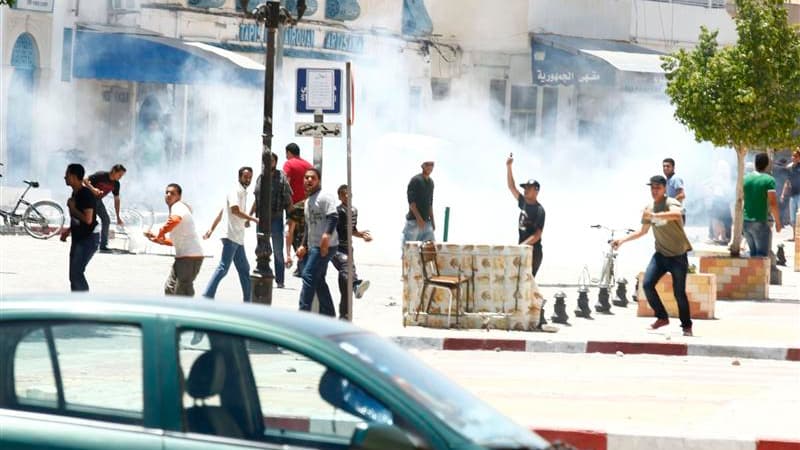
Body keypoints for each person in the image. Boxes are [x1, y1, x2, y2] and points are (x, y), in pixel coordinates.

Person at [612, 175, 694, 337]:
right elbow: (642, 231)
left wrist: (656, 216)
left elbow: (677, 215)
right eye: (652, 188)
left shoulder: (671, 202)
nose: (654, 191)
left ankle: (686, 325)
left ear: (664, 189)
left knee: (679, 293)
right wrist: (622, 240)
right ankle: (662, 317)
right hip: (661, 255)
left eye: (658, 188)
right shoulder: (649, 208)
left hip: (678, 255)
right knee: (647, 284)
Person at [202, 167, 259, 302]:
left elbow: (222, 212)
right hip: (231, 235)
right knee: (223, 268)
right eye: (245, 177)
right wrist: (252, 219)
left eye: (250, 177)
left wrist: (211, 229)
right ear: (239, 177)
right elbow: (234, 210)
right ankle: (207, 296)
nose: (248, 179)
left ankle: (248, 300)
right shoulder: (235, 190)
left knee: (244, 269)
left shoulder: (243, 192)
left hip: (237, 237)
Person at [145, 183, 204, 296]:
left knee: (182, 291)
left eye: (172, 193)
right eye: (166, 192)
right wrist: (155, 238)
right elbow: (173, 242)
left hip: (190, 258)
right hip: (182, 258)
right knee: (170, 288)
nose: (168, 195)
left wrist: (161, 232)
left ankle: (187, 311)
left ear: (179, 197)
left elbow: (174, 220)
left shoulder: (178, 206)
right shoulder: (175, 210)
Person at [296, 168, 338, 317]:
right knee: (318, 280)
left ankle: (303, 316)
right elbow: (309, 225)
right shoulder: (308, 202)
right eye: (306, 178)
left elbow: (333, 217)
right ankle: (330, 315)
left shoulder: (325, 197)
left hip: (326, 246)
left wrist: (326, 237)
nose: (308, 180)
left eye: (312, 178)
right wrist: (303, 245)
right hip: (314, 245)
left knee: (307, 275)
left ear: (318, 180)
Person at [251, 153, 293, 288]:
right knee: (261, 248)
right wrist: (249, 215)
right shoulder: (261, 177)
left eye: (272, 161)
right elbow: (256, 199)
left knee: (277, 251)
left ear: (276, 162)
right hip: (262, 219)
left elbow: (288, 199)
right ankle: (263, 275)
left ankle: (280, 280)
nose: (270, 163)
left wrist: (290, 218)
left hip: (276, 218)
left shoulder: (281, 177)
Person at [331, 184, 372, 319]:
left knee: (344, 281)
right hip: (336, 248)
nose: (347, 196)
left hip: (348, 248)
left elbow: (352, 230)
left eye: (349, 193)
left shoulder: (354, 211)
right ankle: (356, 284)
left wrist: (362, 235)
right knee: (347, 267)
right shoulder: (337, 211)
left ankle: (344, 315)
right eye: (344, 194)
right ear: (340, 197)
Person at [60, 163, 98, 291]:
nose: (65, 177)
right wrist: (69, 230)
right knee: (74, 274)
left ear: (75, 176)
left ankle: (83, 304)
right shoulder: (75, 193)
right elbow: (77, 218)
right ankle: (76, 303)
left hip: (88, 238)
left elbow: (88, 219)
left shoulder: (85, 194)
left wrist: (72, 207)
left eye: (67, 175)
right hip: (79, 237)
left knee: (76, 274)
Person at [506, 155, 545, 277]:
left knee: (527, 283)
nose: (525, 190)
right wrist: (509, 167)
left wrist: (521, 246)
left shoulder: (539, 210)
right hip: (522, 250)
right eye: (525, 188)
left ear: (536, 191)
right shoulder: (523, 203)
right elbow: (512, 187)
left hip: (533, 253)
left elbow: (537, 235)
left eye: (528, 188)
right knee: (519, 281)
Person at [743, 152, 782, 257]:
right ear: (767, 165)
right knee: (761, 258)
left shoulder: (745, 179)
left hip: (745, 222)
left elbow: (741, 199)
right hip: (759, 221)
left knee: (753, 255)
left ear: (755, 164)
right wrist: (778, 222)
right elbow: (773, 203)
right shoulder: (769, 180)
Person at [283, 142, 313, 275]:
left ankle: (296, 261)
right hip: (308, 203)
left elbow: (284, 182)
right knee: (305, 234)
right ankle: (304, 264)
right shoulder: (308, 165)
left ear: (289, 152)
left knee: (291, 232)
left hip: (294, 205)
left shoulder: (289, 163)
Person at [84, 164, 126, 253]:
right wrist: (93, 189)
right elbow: (85, 180)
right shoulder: (101, 175)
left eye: (122, 176)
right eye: (120, 175)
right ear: (114, 171)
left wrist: (118, 217)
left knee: (106, 220)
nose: (121, 177)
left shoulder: (116, 184)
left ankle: (103, 246)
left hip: (98, 201)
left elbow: (117, 200)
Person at [402, 160, 435, 244]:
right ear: (423, 166)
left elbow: (430, 203)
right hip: (413, 221)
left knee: (430, 250)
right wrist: (418, 218)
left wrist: (432, 221)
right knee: (409, 250)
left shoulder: (431, 183)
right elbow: (411, 202)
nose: (430, 166)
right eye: (427, 164)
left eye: (432, 165)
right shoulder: (415, 180)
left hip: (427, 223)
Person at [781, 149, 800, 241]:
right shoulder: (789, 167)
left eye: (795, 156)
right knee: (792, 218)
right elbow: (787, 181)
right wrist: (783, 193)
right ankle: (794, 236)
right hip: (792, 195)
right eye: (793, 156)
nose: (793, 158)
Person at [663, 157, 686, 222]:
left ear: (673, 168)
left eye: (668, 166)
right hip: (671, 213)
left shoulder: (675, 179)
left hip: (677, 213)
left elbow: (682, 195)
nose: (665, 168)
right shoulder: (667, 180)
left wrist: (669, 204)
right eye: (664, 166)